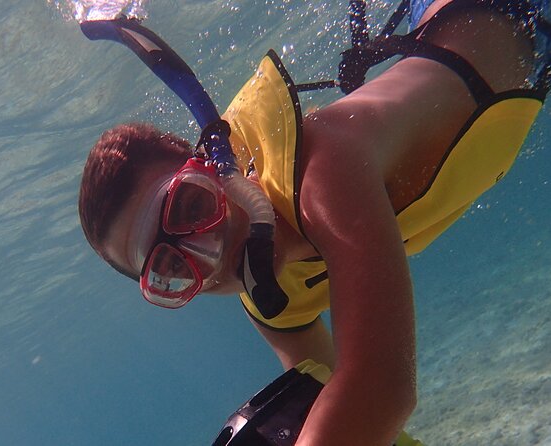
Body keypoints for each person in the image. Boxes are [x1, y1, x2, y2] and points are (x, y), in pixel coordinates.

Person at [78, 0, 550, 444]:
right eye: (171, 269)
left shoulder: (322, 168)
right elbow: (327, 404)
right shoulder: (272, 306)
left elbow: (381, 387)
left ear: (209, 165)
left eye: (188, 207)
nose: (210, 252)